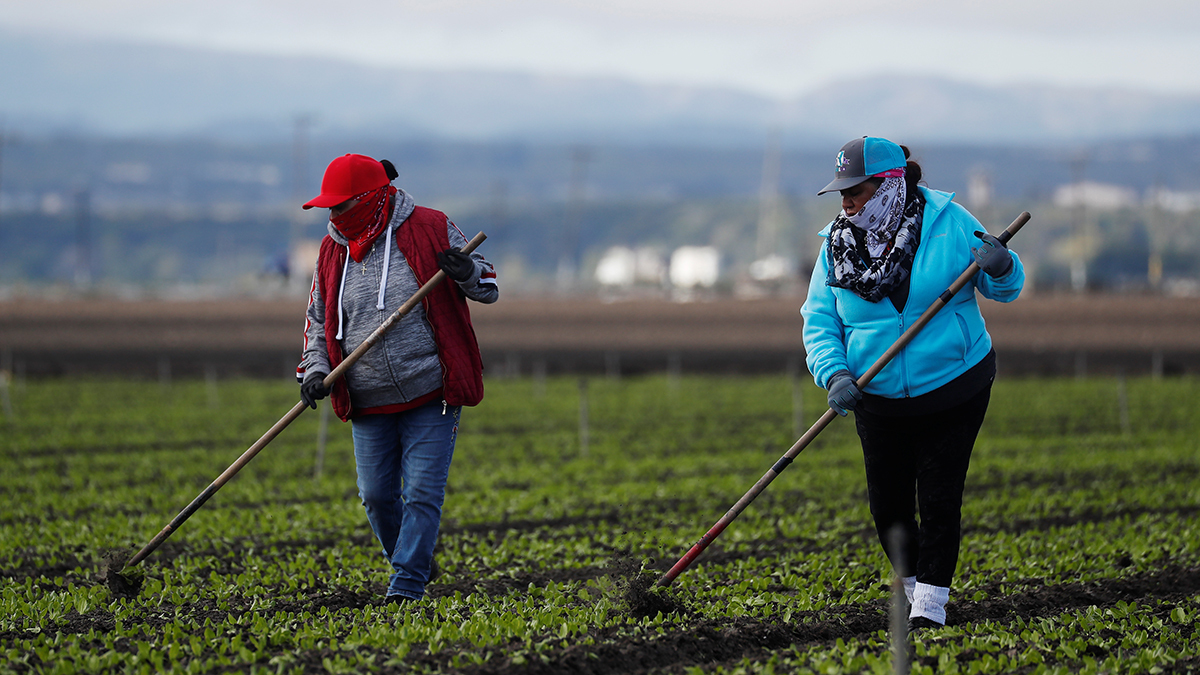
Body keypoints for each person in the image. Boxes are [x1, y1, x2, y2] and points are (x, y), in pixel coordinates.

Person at [800, 137, 1024, 630]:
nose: (847, 202)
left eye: (856, 191)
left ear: (889, 186)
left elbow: (1004, 288)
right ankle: (909, 585)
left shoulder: (951, 223)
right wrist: (834, 373)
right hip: (876, 397)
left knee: (940, 497)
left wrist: (1003, 266)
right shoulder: (835, 246)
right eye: (842, 193)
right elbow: (819, 319)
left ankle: (930, 605)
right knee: (888, 505)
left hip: (955, 385)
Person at [296, 153, 498, 603]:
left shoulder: (430, 226)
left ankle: (406, 587)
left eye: (340, 205)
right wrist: (315, 371)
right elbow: (316, 319)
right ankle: (416, 559)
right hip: (367, 397)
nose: (332, 215)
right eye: (328, 207)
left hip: (432, 390)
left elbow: (488, 284)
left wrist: (466, 273)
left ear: (370, 198)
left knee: (423, 493)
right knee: (375, 496)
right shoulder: (331, 251)